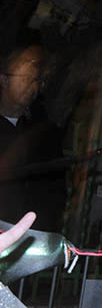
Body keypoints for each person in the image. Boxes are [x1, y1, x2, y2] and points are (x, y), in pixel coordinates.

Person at [0, 34, 66, 231]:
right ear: (3, 78)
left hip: (30, 238)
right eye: (27, 76)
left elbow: (55, 191)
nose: (34, 85)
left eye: (38, 79)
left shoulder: (45, 135)